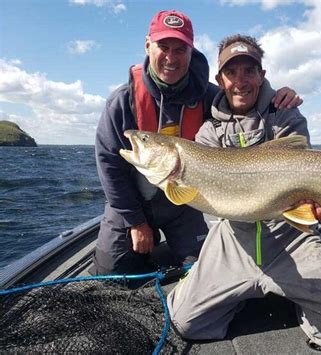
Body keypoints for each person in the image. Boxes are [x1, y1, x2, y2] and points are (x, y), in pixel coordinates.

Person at [167, 35, 321, 353]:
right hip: (234, 239)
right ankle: (241, 288)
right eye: (231, 73)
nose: (240, 81)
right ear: (220, 80)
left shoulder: (286, 116)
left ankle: (302, 288)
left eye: (249, 71)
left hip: (292, 236)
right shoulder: (207, 134)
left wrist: (316, 206)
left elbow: (307, 180)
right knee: (186, 323)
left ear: (262, 75)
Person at [93, 10, 303, 276]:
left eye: (180, 49)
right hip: (132, 202)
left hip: (185, 203)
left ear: (191, 52)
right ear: (148, 45)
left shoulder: (209, 95)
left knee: (200, 267)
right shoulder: (122, 101)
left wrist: (280, 95)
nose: (171, 57)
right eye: (163, 47)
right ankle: (139, 240)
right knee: (111, 275)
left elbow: (242, 96)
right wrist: (135, 222)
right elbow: (109, 165)